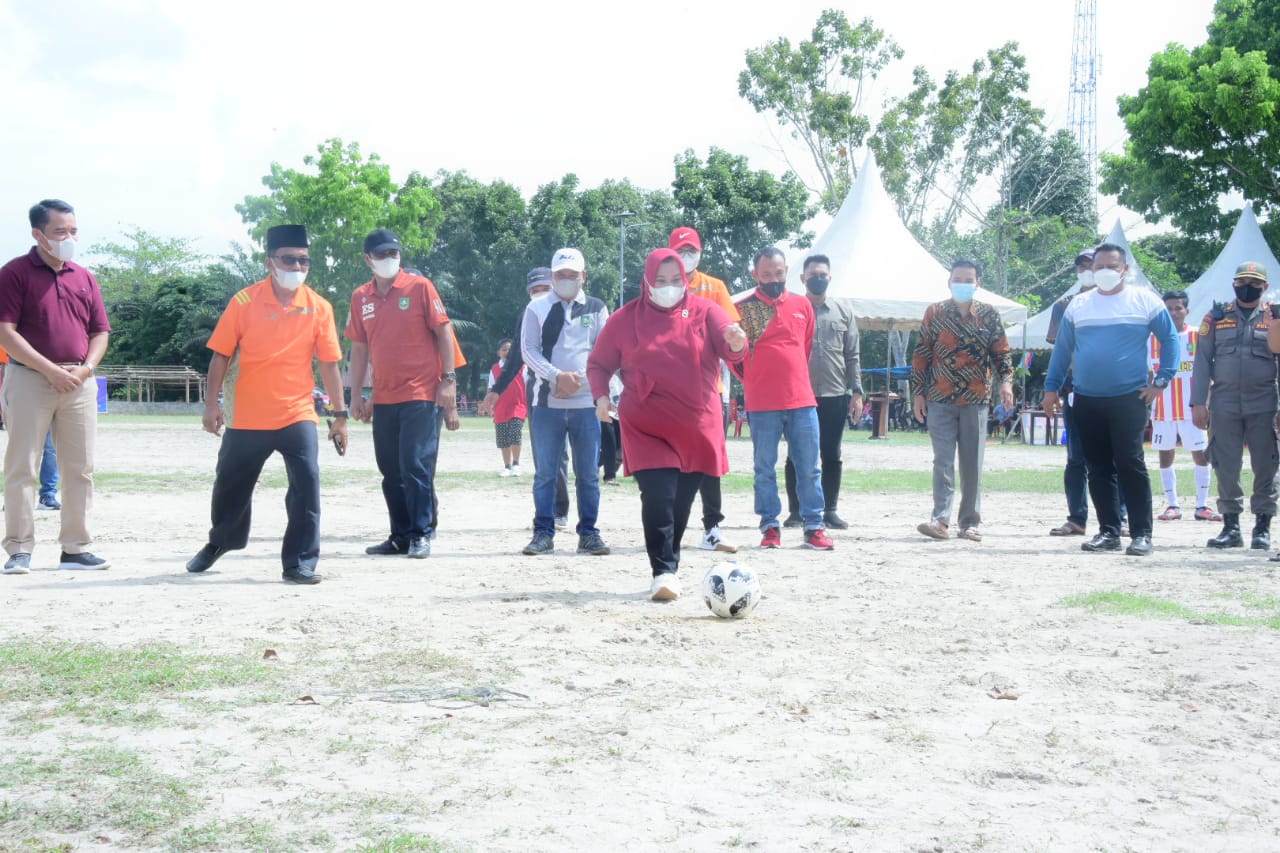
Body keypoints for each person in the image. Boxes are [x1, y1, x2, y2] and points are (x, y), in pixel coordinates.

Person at [185, 224, 348, 584]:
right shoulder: (244, 302)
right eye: (289, 259)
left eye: (304, 260)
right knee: (230, 486)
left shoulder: (319, 307)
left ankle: (299, 562)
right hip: (247, 416)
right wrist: (211, 405)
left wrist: (340, 416)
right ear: (269, 262)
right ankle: (220, 542)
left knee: (307, 482)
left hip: (298, 413)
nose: (297, 266)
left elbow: (330, 364)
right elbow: (220, 357)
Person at [587, 249, 747, 599]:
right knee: (658, 495)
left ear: (686, 281)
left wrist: (737, 343)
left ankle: (668, 563)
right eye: (661, 280)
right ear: (647, 280)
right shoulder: (625, 319)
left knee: (680, 503)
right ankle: (663, 572)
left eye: (676, 280)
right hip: (646, 425)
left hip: (695, 425)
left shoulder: (706, 311)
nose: (669, 287)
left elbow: (730, 342)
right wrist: (601, 397)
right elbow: (599, 364)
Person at [1043, 243, 1178, 557]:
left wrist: (1161, 381)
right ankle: (1109, 532)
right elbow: (1062, 351)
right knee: (1098, 467)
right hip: (1087, 398)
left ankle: (1142, 534)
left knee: (1130, 463)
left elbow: (1170, 340)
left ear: (1125, 269)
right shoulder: (1079, 305)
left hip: (1129, 397)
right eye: (1098, 266)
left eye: (1111, 266)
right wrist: (1051, 388)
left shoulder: (1144, 301)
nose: (1103, 272)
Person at [0, 199, 111, 575]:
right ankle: (18, 549)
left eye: (73, 231)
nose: (69, 238)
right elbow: (6, 333)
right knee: (22, 467)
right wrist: (49, 370)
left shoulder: (84, 276)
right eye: (60, 231)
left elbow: (100, 331)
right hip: (30, 379)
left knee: (80, 468)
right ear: (38, 234)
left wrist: (85, 370)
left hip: (79, 383)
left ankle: (76, 549)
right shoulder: (14, 273)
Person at [345, 229, 456, 559]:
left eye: (394, 253)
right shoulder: (360, 297)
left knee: (414, 464)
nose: (389, 259)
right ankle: (400, 536)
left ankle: (422, 532)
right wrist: (356, 395)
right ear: (368, 259)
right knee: (390, 469)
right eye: (381, 255)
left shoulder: (420, 287)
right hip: (383, 397)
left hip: (420, 393)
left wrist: (448, 380)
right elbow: (360, 348)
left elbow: (444, 332)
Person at [732, 247, 833, 550]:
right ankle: (769, 527)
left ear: (787, 270)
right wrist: (755, 379)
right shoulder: (743, 309)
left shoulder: (803, 305)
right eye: (766, 275)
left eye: (778, 273)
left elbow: (804, 347)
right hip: (762, 404)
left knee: (810, 467)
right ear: (755, 275)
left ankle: (814, 525)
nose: (773, 279)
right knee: (764, 468)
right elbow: (735, 356)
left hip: (802, 400)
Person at [911, 260, 1013, 543]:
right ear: (949, 282)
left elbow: (1002, 352)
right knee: (942, 460)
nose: (963, 283)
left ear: (978, 283)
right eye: (958, 278)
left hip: (976, 398)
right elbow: (922, 354)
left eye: (969, 279)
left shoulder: (988, 314)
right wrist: (918, 392)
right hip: (939, 397)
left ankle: (969, 522)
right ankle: (940, 520)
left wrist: (1006, 381)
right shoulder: (935, 312)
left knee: (972, 463)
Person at [519, 248, 610, 556]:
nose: (567, 280)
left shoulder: (597, 308)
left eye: (573, 275)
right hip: (546, 403)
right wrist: (557, 377)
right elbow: (529, 351)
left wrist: (579, 380)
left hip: (586, 405)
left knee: (588, 474)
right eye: (561, 275)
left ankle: (589, 533)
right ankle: (543, 532)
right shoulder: (537, 307)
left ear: (584, 276)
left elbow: (605, 352)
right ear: (553, 276)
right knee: (546, 473)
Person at [1193, 262, 1279, 550]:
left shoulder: (1274, 317)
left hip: (1265, 402)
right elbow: (1202, 361)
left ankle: (1262, 528)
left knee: (1266, 465)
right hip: (1225, 402)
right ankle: (1231, 528)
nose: (1248, 287)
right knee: (1225, 464)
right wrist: (1197, 403)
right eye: (1242, 281)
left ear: (1265, 287)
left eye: (1255, 283)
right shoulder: (1216, 317)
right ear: (1233, 284)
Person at [669, 227, 742, 553]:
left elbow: (731, 332)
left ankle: (712, 527)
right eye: (681, 250)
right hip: (669, 391)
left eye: (691, 250)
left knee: (710, 459)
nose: (687, 256)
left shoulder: (715, 287)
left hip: (710, 390)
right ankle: (669, 525)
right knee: (673, 461)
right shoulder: (661, 286)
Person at [481, 267, 572, 528]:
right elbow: (516, 359)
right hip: (539, 392)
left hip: (573, 390)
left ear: (554, 286)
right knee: (545, 454)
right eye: (534, 290)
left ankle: (562, 509)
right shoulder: (528, 315)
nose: (539, 294)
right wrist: (496, 390)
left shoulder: (571, 310)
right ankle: (548, 510)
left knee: (564, 455)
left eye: (544, 288)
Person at [783, 254, 863, 530]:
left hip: (834, 394)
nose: (818, 278)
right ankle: (796, 512)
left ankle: (829, 510)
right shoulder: (791, 308)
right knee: (796, 455)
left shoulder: (844, 311)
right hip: (797, 394)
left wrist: (857, 391)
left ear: (830, 277)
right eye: (813, 274)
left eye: (823, 274)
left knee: (831, 454)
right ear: (803, 278)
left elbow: (852, 355)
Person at [1151, 290, 1216, 523]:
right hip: (1162, 410)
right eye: (1168, 308)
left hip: (1192, 408)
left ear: (1187, 310)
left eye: (1178, 308)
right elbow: (1148, 373)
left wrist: (1206, 402)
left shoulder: (1199, 336)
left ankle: (1202, 505)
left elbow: (1209, 371)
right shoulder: (1152, 338)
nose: (1173, 312)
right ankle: (1173, 505)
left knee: (1200, 455)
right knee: (1165, 455)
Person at [1045, 249, 1096, 536]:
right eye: (1082, 265)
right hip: (1075, 389)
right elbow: (1060, 350)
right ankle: (1077, 517)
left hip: (1111, 389)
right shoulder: (1064, 305)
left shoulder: (1115, 303)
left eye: (1092, 264)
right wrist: (1052, 388)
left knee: (1115, 457)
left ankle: (1121, 517)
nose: (1087, 269)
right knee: (1076, 457)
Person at [0, 346, 61, 510]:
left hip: (54, 390)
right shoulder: (12, 337)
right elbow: (5, 369)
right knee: (22, 449)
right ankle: (16, 498)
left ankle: (47, 495)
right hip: (22, 392)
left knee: (51, 448)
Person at [488, 338, 527, 477]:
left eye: (509, 349)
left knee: (515, 433)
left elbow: (528, 386)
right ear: (498, 352)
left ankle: (516, 464)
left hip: (518, 406)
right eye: (503, 349)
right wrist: (489, 405)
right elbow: (490, 389)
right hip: (500, 408)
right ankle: (507, 466)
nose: (507, 352)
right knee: (503, 438)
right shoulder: (494, 369)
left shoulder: (522, 367)